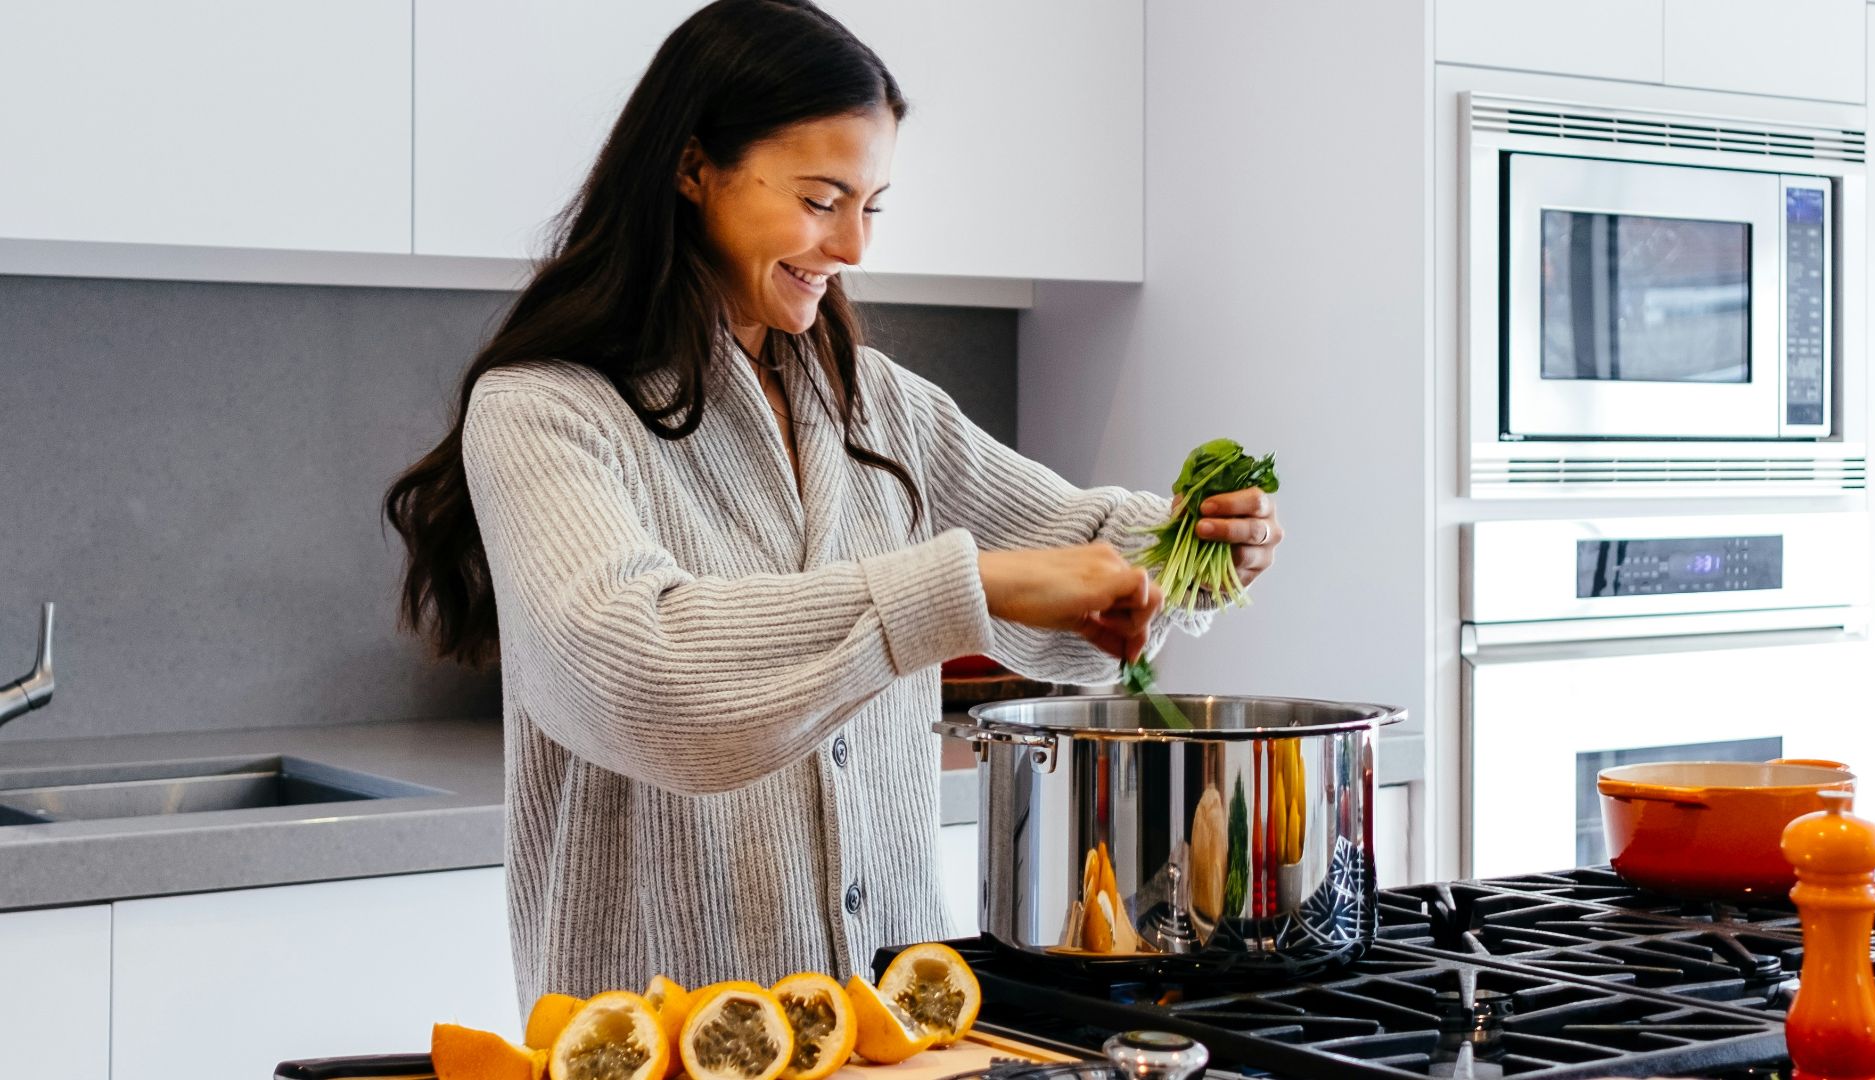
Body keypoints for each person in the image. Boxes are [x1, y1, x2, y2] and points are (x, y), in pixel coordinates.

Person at [383, 0, 1283, 1015]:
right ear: (692, 170)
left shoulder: (874, 401)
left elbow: (1074, 552)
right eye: (820, 198)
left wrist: (1191, 547)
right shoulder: (546, 411)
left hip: (893, 1028)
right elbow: (638, 673)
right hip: (659, 1035)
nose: (852, 244)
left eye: (872, 204)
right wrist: (962, 588)